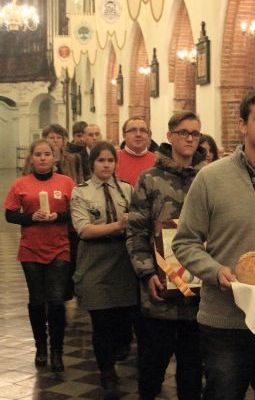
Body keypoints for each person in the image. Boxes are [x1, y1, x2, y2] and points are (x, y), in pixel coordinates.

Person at [172, 87, 255, 400]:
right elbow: (185, 241)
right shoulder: (211, 178)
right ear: (243, 125)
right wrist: (214, 270)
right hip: (225, 320)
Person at [127, 111, 206, 400]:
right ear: (170, 136)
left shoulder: (208, 177)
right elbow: (135, 232)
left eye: (195, 134)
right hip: (160, 293)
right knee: (151, 369)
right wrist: (147, 274)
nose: (189, 138)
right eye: (183, 132)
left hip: (199, 294)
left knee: (192, 372)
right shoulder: (149, 179)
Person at [70, 141, 138, 398]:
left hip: (123, 263)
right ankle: (106, 370)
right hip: (95, 263)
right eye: (101, 160)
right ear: (92, 164)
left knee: (123, 320)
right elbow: (84, 229)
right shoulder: (82, 192)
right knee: (102, 322)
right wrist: (118, 226)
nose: (106, 165)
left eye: (110, 160)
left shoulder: (127, 190)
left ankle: (120, 348)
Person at [4, 139, 75, 372]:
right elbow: (10, 215)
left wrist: (57, 217)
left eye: (47, 154)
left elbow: (75, 212)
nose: (43, 158)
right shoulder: (20, 184)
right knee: (37, 300)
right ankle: (40, 348)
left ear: (54, 157)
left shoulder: (66, 183)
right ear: (31, 158)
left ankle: (57, 350)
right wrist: (31, 218)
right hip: (31, 249)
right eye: (38, 154)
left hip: (59, 247)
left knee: (56, 300)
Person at [115, 117, 156, 186]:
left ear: (148, 136)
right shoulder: (113, 159)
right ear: (124, 135)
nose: (138, 134)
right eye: (133, 130)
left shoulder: (157, 161)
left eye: (142, 130)